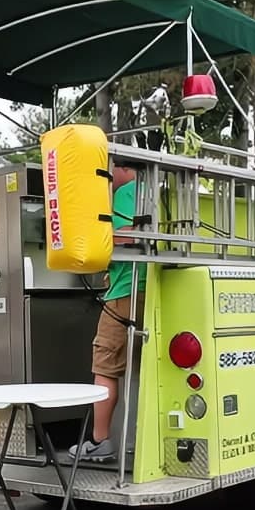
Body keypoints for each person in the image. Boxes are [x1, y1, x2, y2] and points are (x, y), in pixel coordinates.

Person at [69, 165, 147, 462]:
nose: (108, 175)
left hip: (125, 289)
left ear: (126, 167)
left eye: (112, 166)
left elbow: (128, 235)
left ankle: (100, 440)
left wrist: (97, 240)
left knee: (105, 366)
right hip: (150, 287)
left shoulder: (128, 192)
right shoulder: (157, 190)